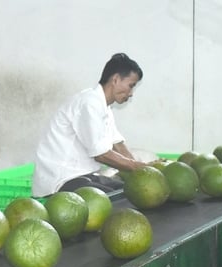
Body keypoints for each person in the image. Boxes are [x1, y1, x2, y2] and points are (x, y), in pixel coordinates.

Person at [32, 53, 147, 197]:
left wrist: (141, 172)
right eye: (131, 86)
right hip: (60, 181)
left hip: (84, 176)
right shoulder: (89, 103)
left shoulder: (104, 106)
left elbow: (117, 144)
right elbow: (101, 155)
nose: (131, 94)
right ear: (116, 79)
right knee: (124, 199)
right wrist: (138, 167)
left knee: (130, 191)